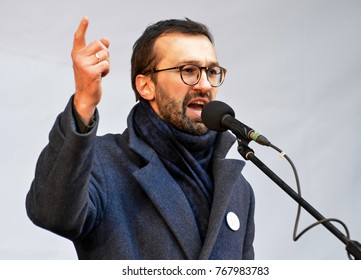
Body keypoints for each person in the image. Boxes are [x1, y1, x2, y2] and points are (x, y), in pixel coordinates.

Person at [26, 16, 255, 260]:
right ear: (146, 86)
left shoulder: (239, 190)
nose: (205, 85)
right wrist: (84, 103)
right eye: (189, 70)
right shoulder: (104, 162)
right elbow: (52, 213)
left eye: (211, 71)